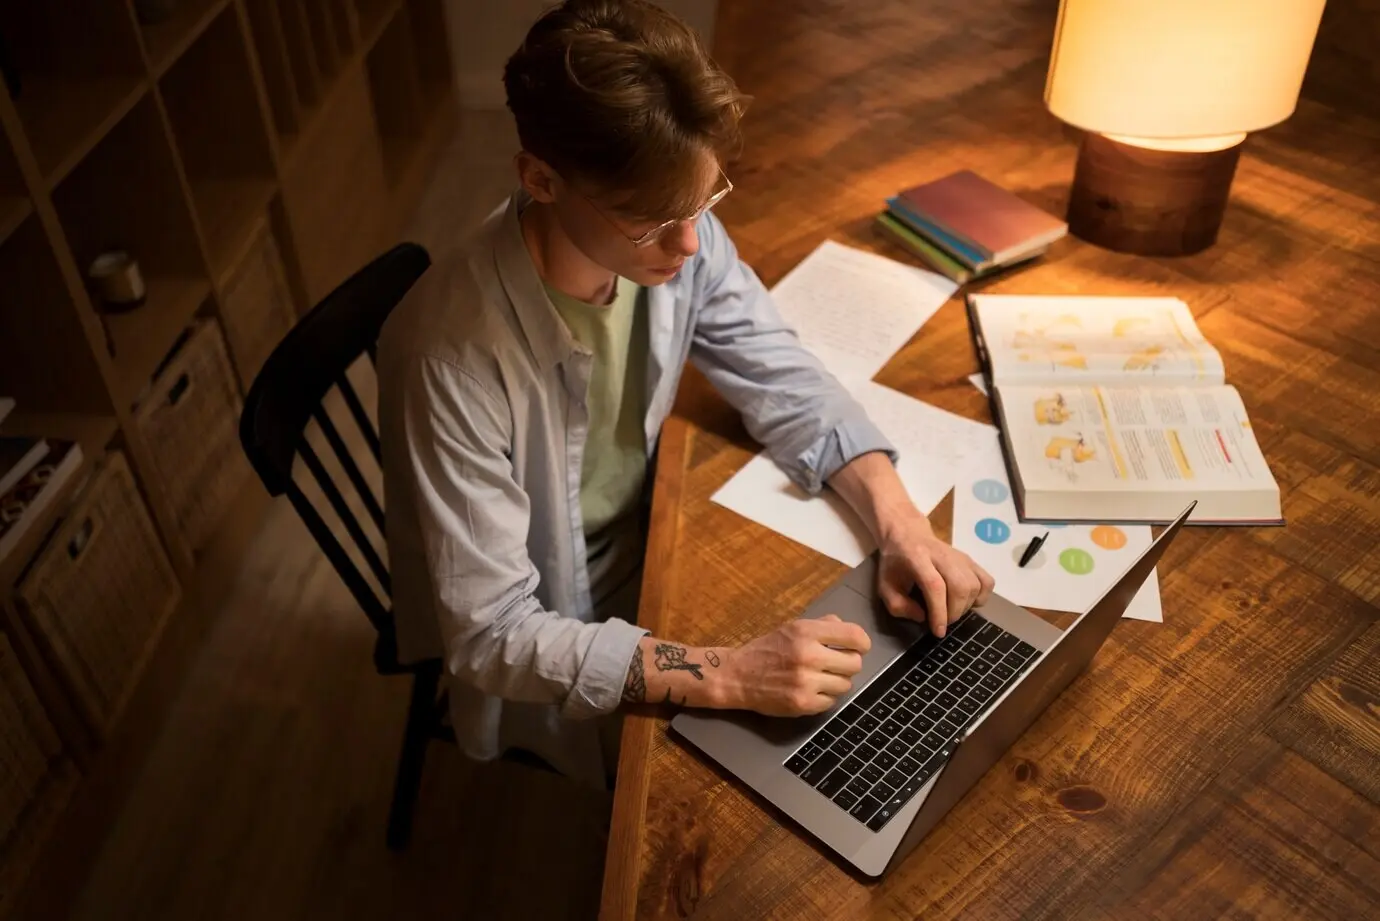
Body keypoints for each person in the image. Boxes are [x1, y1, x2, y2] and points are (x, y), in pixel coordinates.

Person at [376, 0, 994, 789]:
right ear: (540, 179)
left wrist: (901, 521)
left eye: (705, 202)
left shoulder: (672, 224)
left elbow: (778, 368)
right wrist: (728, 673)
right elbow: (493, 632)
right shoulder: (450, 357)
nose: (692, 243)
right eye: (653, 221)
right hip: (562, 614)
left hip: (654, 529)